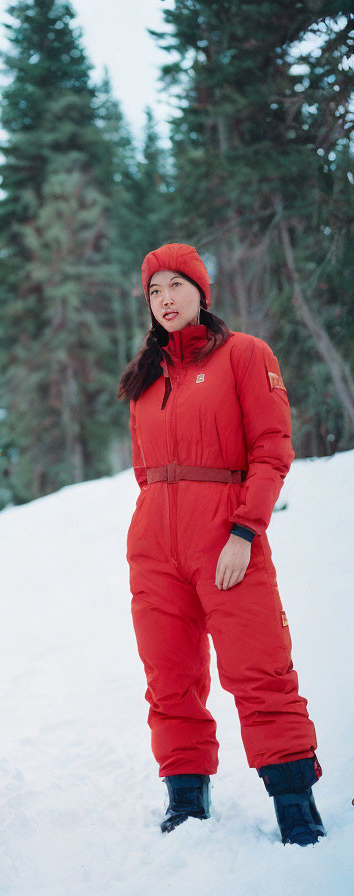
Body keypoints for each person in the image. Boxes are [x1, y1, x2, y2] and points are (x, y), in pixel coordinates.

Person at [118, 242, 325, 846]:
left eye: (176, 286)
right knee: (169, 675)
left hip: (227, 536)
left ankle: (293, 800)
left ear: (202, 292)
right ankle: (187, 795)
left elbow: (271, 449)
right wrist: (153, 530)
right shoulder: (144, 379)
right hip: (156, 546)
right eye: (154, 292)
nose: (165, 300)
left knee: (259, 668)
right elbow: (144, 469)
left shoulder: (244, 355)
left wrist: (243, 530)